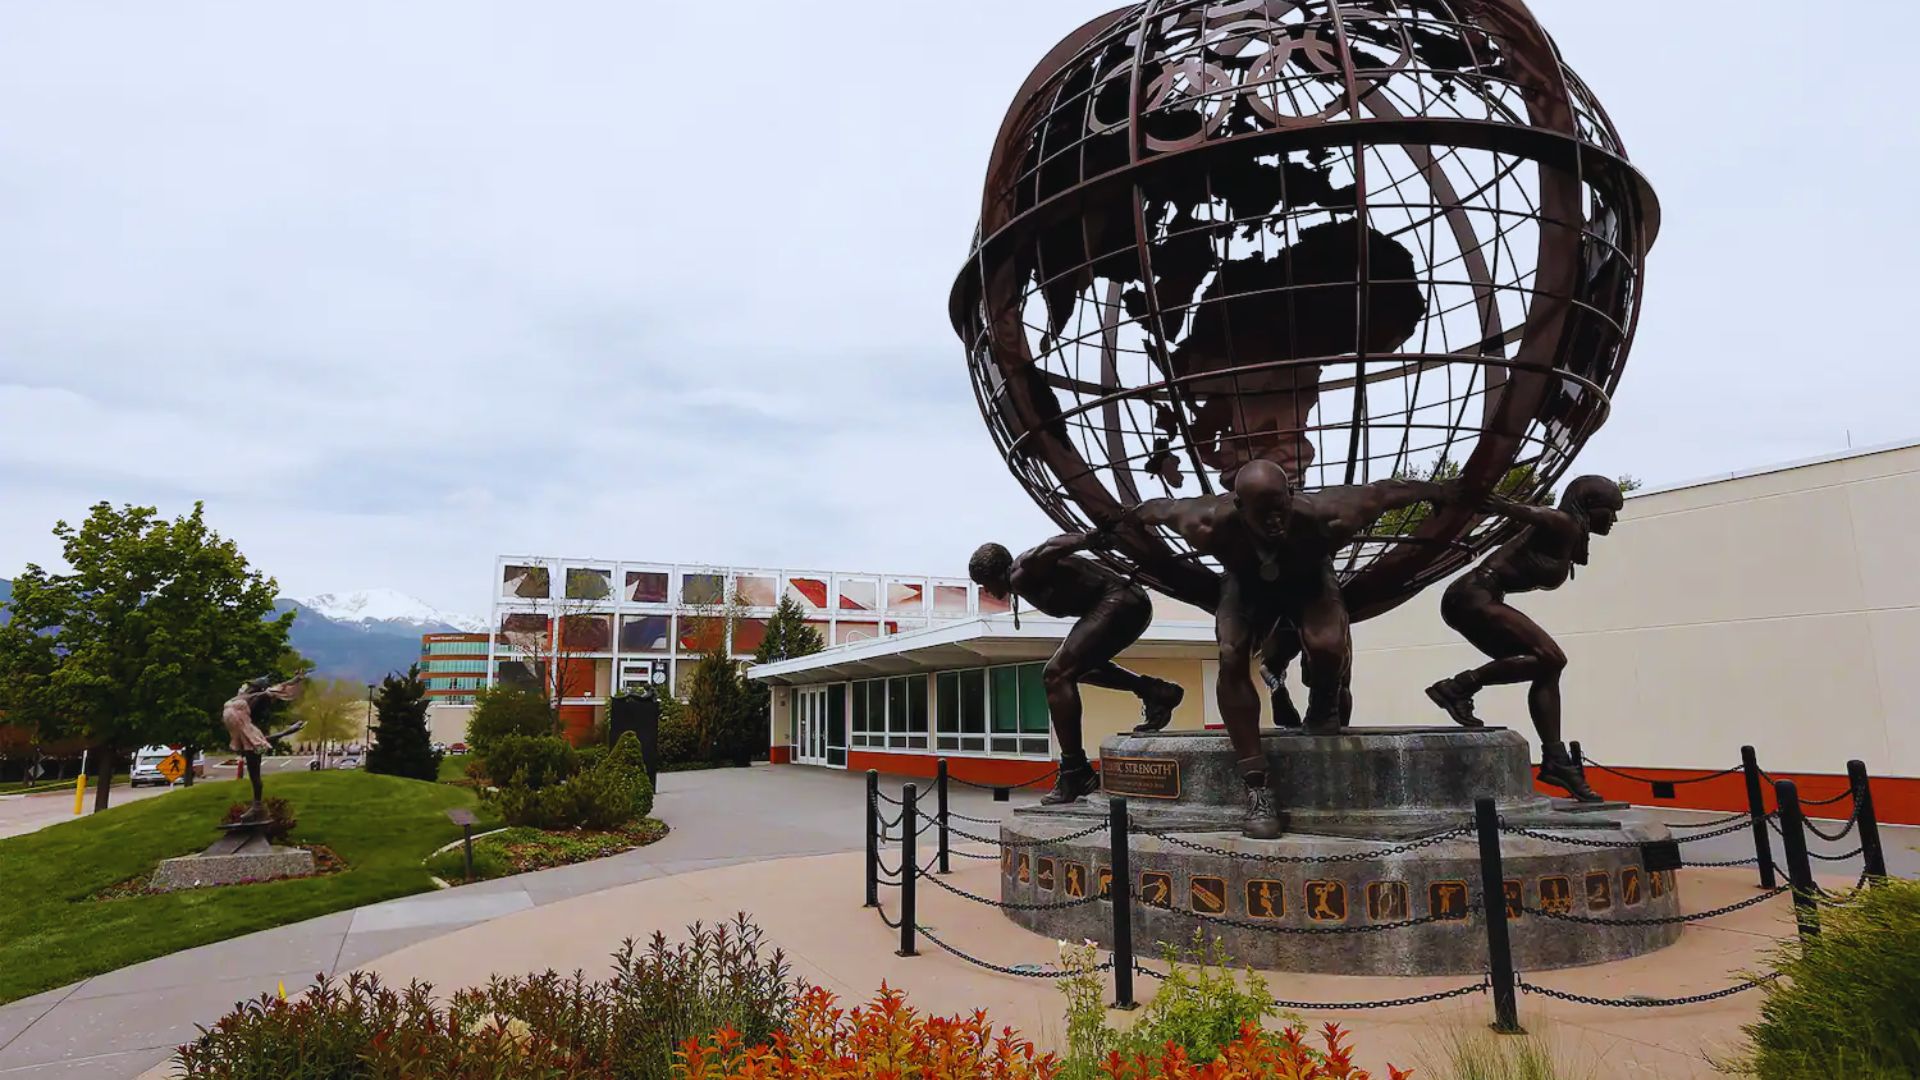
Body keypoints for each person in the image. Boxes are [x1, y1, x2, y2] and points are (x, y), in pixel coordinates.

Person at [1125, 460, 1455, 837]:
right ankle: (1256, 787)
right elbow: (1156, 511)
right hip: (1247, 587)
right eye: (1263, 515)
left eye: (1280, 509)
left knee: (1328, 645)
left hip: (1310, 581)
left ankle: (1322, 704)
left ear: (1291, 496)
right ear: (1238, 507)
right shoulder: (1206, 522)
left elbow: (1384, 492)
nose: (1275, 523)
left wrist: (1443, 492)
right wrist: (1120, 523)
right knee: (1231, 654)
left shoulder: (1329, 515)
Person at [1424, 476, 1625, 802]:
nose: (1614, 519)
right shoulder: (1563, 523)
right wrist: (1499, 504)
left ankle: (1555, 759)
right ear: (1590, 507)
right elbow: (1538, 514)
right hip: (1472, 598)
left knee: (1546, 666)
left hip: (1479, 599)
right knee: (1552, 658)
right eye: (1611, 510)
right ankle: (1458, 686)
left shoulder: (1568, 533)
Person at [969, 532, 1185, 805]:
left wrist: (1090, 539)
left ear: (995, 573)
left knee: (1056, 674)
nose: (987, 591)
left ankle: (1074, 771)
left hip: (1119, 602)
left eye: (984, 584)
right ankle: (1155, 691)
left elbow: (1048, 548)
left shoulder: (1021, 570)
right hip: (1125, 603)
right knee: (1077, 670)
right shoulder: (1020, 580)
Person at [221, 676, 305, 820]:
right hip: (243, 739)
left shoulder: (254, 700)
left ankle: (257, 806)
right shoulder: (243, 698)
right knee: (254, 773)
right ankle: (257, 807)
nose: (243, 686)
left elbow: (275, 689)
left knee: (255, 774)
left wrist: (294, 681)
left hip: (251, 742)